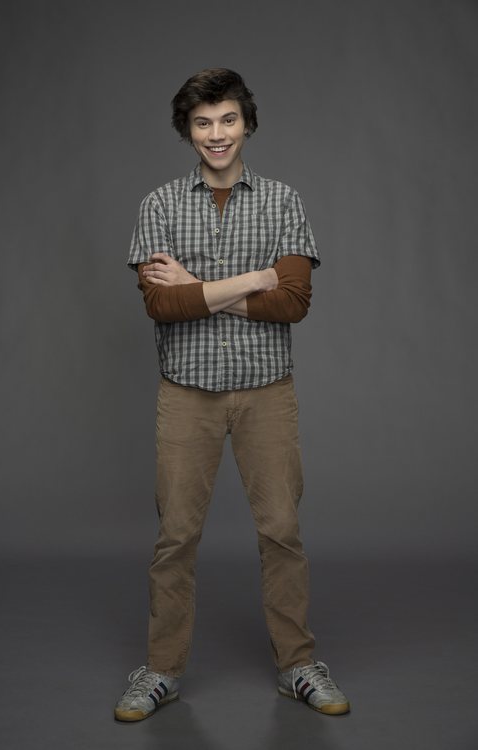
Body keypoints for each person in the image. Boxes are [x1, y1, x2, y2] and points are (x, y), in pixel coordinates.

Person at [114, 68, 350, 721]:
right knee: (175, 536)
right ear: (187, 130)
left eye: (227, 120)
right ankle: (161, 671)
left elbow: (293, 301)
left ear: (246, 123)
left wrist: (199, 287)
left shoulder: (283, 201)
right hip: (186, 394)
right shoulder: (159, 205)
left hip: (266, 393)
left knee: (282, 532)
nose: (216, 134)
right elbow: (162, 304)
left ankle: (297, 665)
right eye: (202, 123)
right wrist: (251, 278)